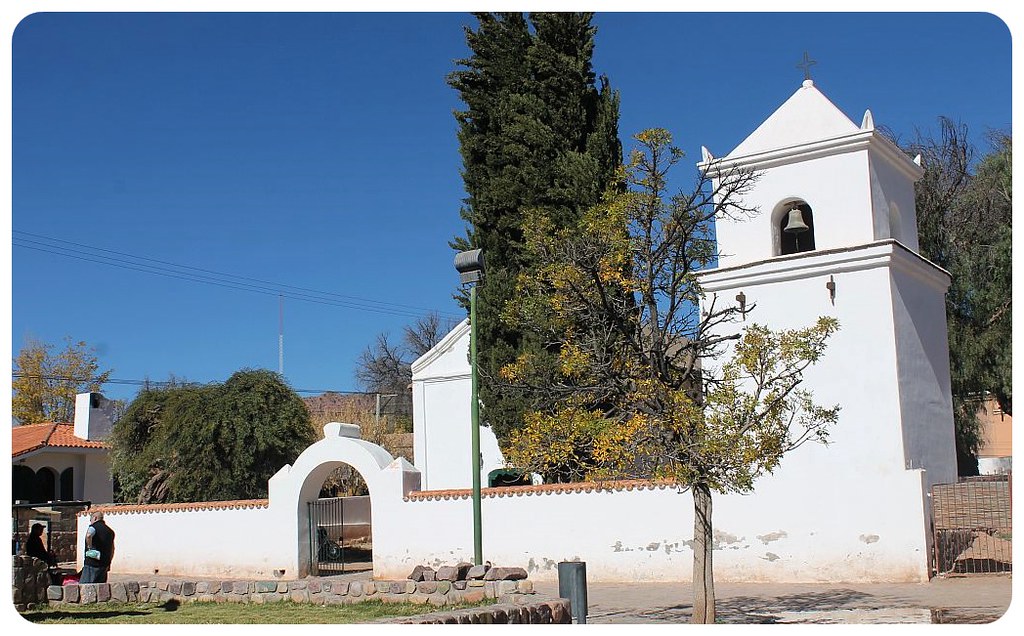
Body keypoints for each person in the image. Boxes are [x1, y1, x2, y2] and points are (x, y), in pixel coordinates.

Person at [80, 511, 115, 584]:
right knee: (101, 589)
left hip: (92, 563)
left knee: (85, 587)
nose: (90, 522)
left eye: (91, 520)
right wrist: (109, 561)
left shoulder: (93, 527)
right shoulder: (110, 531)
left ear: (95, 518)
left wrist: (90, 547)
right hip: (104, 564)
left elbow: (89, 535)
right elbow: (112, 549)